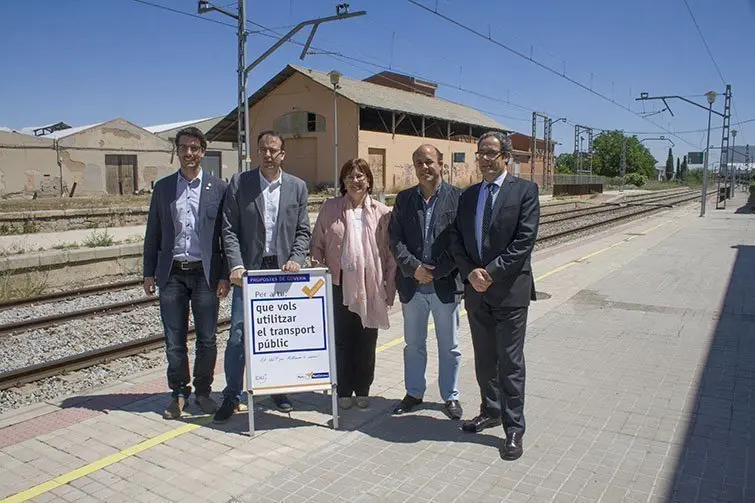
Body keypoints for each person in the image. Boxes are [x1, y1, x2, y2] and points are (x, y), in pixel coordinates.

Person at [449, 131, 540, 460]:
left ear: (506, 156)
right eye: (480, 153)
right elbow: (456, 239)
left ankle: (514, 427)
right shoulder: (469, 195)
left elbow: (524, 241)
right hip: (476, 292)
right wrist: (471, 272)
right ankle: (491, 410)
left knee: (510, 363)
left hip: (509, 292)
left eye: (491, 153)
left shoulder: (526, 191)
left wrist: (491, 272)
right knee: (485, 360)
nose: (485, 159)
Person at [214, 130, 311, 423]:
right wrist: (235, 265)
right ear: (257, 153)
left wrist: (296, 259)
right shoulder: (240, 183)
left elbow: (303, 231)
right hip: (249, 275)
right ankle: (232, 394)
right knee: (238, 336)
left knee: (279, 336)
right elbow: (228, 228)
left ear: (282, 154)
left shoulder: (297, 187)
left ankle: (278, 389)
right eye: (263, 150)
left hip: (282, 275)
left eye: (273, 151)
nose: (268, 155)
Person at [143, 126, 230, 420]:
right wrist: (148, 272)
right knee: (174, 339)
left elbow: (226, 235)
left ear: (203, 151)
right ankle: (179, 393)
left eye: (194, 148)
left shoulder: (218, 188)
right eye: (183, 148)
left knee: (207, 338)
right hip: (172, 275)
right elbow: (152, 232)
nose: (189, 153)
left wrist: (224, 275)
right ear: (177, 151)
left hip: (205, 275)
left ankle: (203, 392)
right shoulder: (164, 188)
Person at [310, 158, 396, 410]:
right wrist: (317, 269)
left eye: (360, 176)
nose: (355, 181)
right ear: (343, 182)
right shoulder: (330, 207)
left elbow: (390, 255)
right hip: (340, 284)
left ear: (368, 181)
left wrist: (389, 287)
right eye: (349, 176)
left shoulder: (383, 212)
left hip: (372, 287)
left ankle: (363, 389)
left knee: (367, 340)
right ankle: (344, 390)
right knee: (343, 340)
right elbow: (317, 243)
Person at [388, 144, 463, 420]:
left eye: (429, 161)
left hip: (445, 285)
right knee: (413, 344)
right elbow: (394, 239)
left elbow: (460, 241)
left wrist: (436, 271)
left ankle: (450, 396)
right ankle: (414, 393)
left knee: (450, 346)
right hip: (412, 286)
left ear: (441, 163)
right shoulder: (404, 199)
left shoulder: (457, 197)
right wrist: (414, 268)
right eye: (418, 163)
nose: (424, 167)